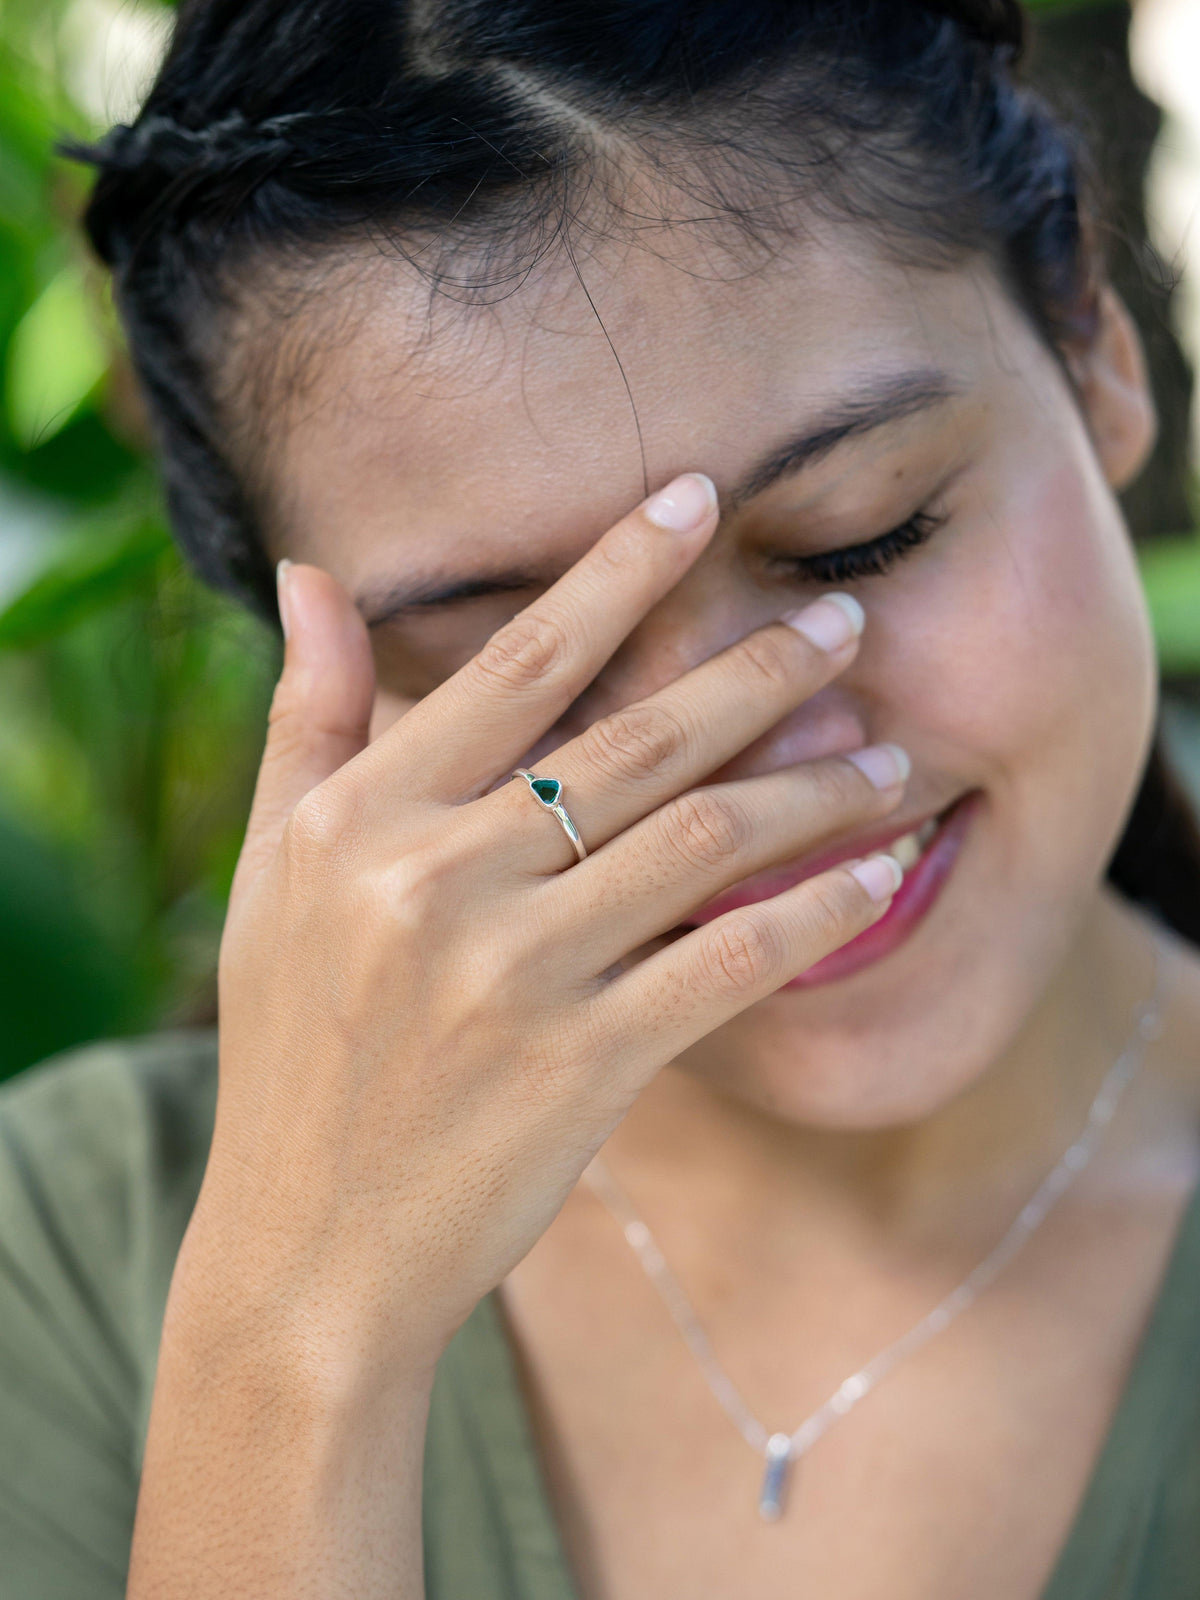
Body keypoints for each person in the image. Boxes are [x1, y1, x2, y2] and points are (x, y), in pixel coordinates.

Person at [3, 0, 1200, 1594]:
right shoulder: (73, 1257)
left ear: (1096, 349)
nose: (746, 764)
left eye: (862, 537)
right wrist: (302, 1343)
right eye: (516, 654)